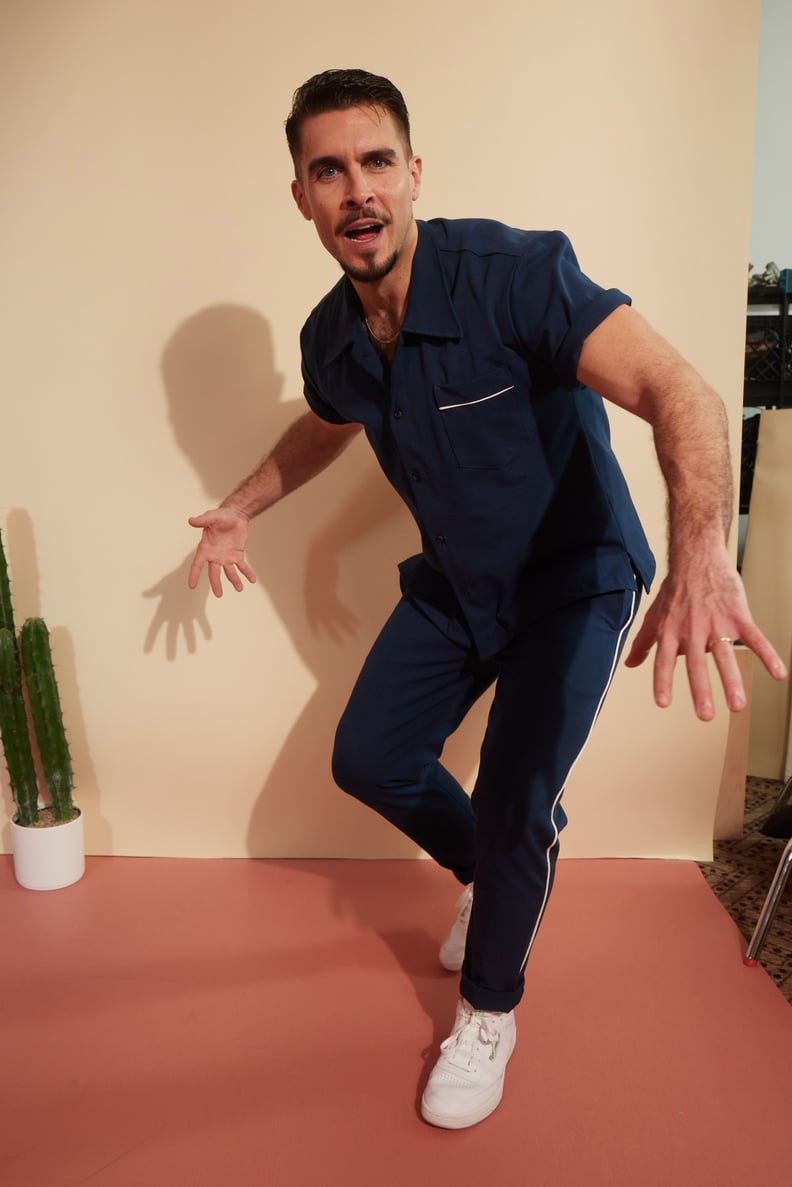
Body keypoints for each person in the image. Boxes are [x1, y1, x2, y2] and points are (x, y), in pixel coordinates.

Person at [187, 69, 787, 1129]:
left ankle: (491, 1007)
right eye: (329, 170)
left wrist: (701, 548)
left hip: (574, 579)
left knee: (516, 798)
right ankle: (498, 867)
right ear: (301, 197)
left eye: (377, 162)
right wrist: (241, 506)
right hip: (460, 584)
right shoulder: (331, 335)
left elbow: (675, 388)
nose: (357, 189)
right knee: (368, 756)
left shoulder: (517, 273)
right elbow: (325, 423)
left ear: (414, 174)